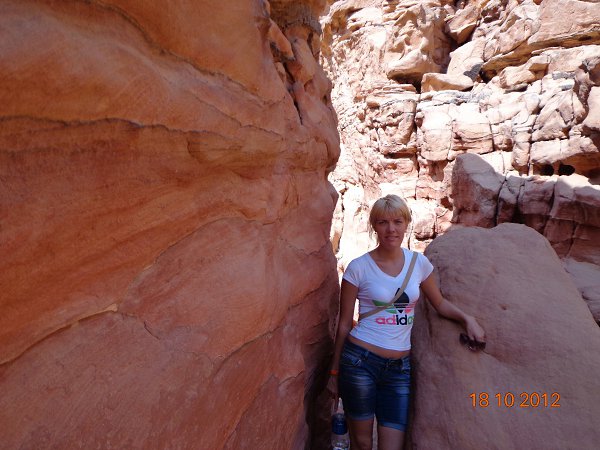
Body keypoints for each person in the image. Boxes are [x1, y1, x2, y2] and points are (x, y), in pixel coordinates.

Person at [327, 194, 486, 450]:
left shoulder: (418, 263)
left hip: (399, 369)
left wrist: (467, 319)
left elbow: (439, 304)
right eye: (383, 222)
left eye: (397, 222)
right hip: (360, 362)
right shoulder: (358, 268)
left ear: (406, 224)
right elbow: (344, 324)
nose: (391, 229)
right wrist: (334, 372)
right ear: (374, 226)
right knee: (362, 443)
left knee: (392, 445)